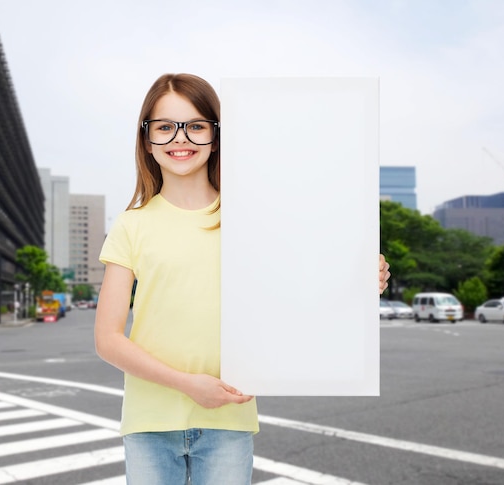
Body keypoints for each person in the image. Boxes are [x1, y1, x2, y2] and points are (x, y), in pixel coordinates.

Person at [94, 73, 391, 485]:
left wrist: (358, 278)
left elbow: (300, 292)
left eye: (196, 126)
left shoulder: (253, 217)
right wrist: (188, 385)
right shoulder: (131, 225)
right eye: (164, 127)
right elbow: (108, 339)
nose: (181, 139)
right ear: (147, 140)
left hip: (229, 418)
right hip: (149, 421)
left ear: (216, 136)